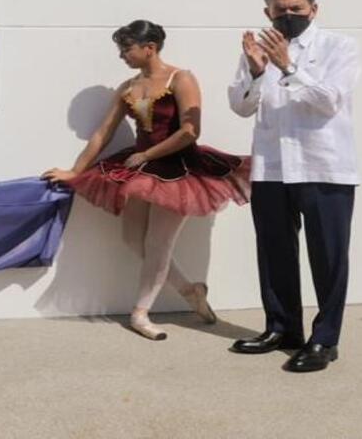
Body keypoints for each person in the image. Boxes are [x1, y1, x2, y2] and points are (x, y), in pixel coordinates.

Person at [44, 21, 249, 340]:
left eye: (127, 48)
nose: (122, 55)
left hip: (179, 169)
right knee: (132, 239)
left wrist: (147, 155)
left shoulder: (180, 78)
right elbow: (102, 134)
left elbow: (190, 131)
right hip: (140, 169)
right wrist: (75, 171)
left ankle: (140, 313)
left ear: (149, 47)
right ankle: (190, 291)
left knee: (158, 243)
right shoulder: (127, 87)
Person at [227, 0, 360, 373]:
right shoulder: (258, 50)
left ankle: (324, 340)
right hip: (271, 166)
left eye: (297, 9)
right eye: (280, 10)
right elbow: (240, 106)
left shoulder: (340, 47)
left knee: (329, 256)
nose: (289, 16)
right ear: (267, 12)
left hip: (324, 166)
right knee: (274, 253)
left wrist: (287, 66)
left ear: (314, 9)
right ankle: (282, 329)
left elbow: (328, 101)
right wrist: (255, 72)